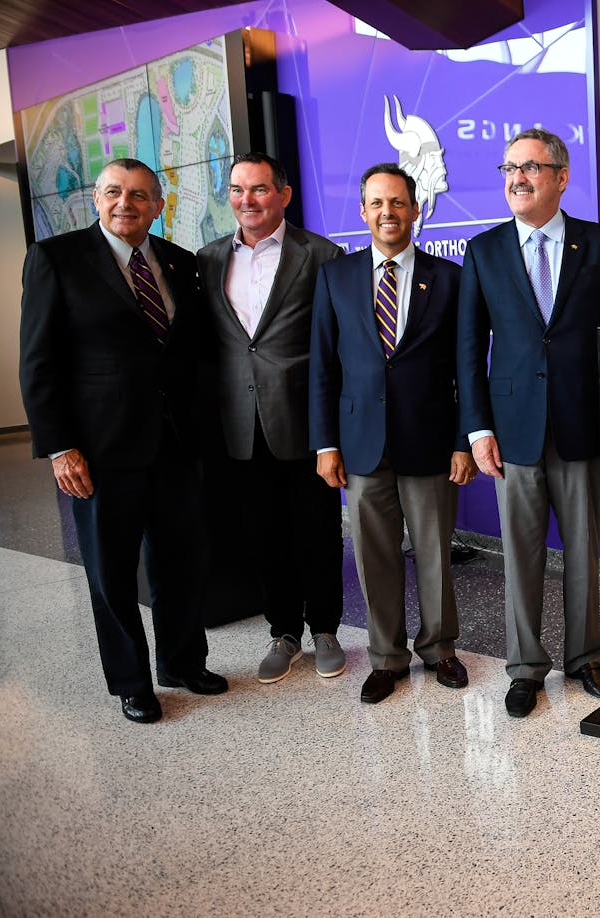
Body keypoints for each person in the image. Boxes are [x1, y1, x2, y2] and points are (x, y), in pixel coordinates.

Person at [19, 158, 227, 724]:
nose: (125, 204)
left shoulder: (182, 264)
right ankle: (132, 681)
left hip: (177, 446)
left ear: (159, 205)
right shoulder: (56, 259)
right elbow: (38, 363)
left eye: (139, 195)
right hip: (100, 451)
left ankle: (183, 663)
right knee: (111, 571)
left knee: (182, 562)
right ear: (96, 198)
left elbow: (193, 357)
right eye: (114, 192)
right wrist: (60, 446)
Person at [458, 128, 600, 718]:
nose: (516, 178)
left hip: (581, 426)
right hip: (512, 428)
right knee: (520, 553)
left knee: (582, 552)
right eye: (509, 168)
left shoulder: (596, 245)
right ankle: (525, 666)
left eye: (530, 167)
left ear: (561, 177)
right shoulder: (485, 251)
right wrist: (477, 430)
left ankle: (584, 658)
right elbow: (469, 349)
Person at [308, 163, 475, 705]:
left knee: (433, 553)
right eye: (377, 203)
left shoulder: (448, 278)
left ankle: (440, 649)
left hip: (429, 443)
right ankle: (386, 658)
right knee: (373, 558)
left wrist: (461, 441)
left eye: (398, 203)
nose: (387, 213)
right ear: (363, 212)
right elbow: (322, 369)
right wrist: (326, 443)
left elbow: (464, 367)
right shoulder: (336, 277)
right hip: (360, 446)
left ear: (416, 210)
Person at [198, 152, 346, 684]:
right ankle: (283, 633)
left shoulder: (322, 254)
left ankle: (325, 629)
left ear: (282, 194)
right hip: (240, 423)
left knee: (318, 531)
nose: (247, 200)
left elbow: (336, 344)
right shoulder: (208, 259)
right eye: (238, 190)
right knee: (263, 534)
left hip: (305, 421)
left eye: (259, 189)